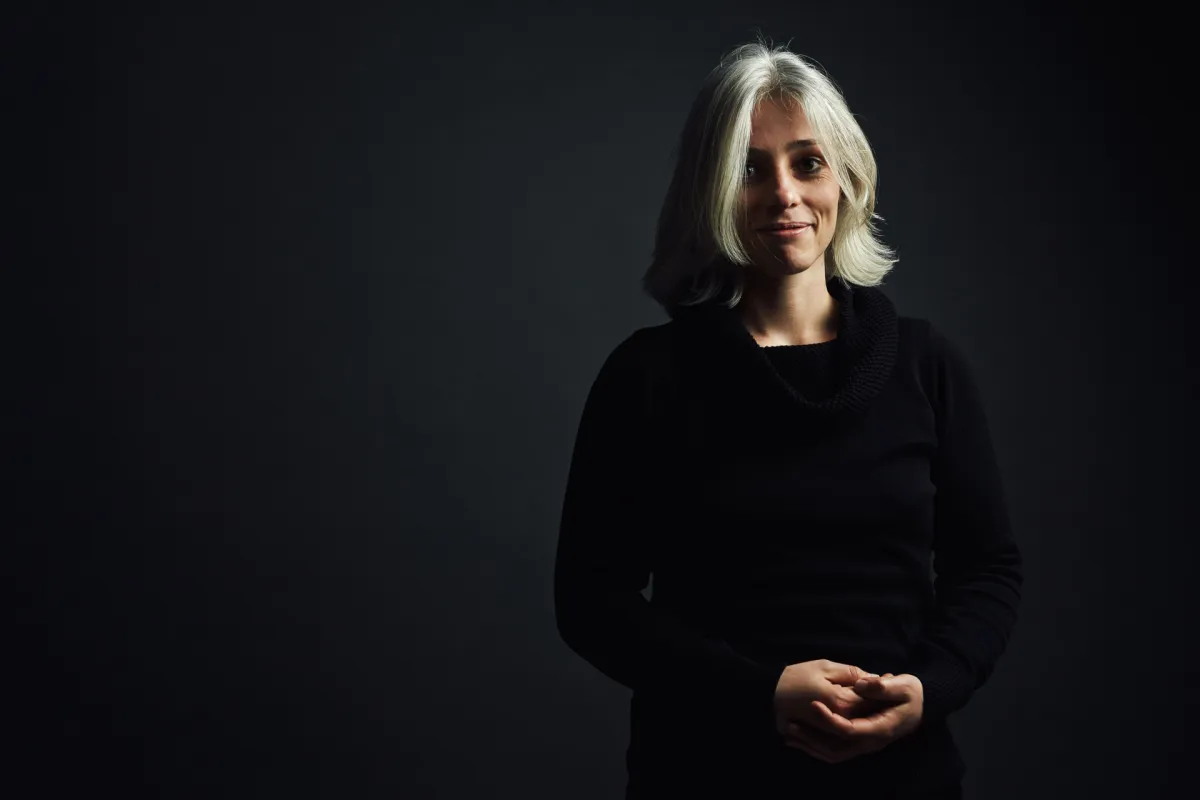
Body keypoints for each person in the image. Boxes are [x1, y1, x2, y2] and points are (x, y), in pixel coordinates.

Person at [553, 39, 1023, 800]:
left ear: (847, 178)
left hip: (903, 780)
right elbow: (590, 603)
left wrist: (928, 690)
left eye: (807, 163)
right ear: (709, 190)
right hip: (704, 776)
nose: (784, 194)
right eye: (748, 169)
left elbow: (987, 570)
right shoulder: (647, 376)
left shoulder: (925, 364)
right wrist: (761, 692)